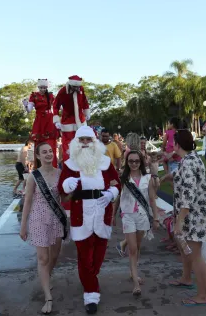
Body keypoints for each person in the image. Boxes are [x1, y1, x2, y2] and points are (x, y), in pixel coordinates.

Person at [58, 126, 121, 314]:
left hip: (102, 214)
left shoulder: (105, 162)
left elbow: (116, 181)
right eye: (82, 140)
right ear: (76, 143)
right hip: (81, 216)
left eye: (89, 140)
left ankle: (89, 279)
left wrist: (112, 193)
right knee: (85, 257)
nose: (85, 143)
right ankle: (91, 293)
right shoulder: (69, 164)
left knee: (99, 256)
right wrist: (66, 185)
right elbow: (62, 194)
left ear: (95, 142)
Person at [20, 142, 67, 314]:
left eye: (50, 151)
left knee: (54, 256)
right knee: (43, 259)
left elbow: (65, 196)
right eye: (44, 152)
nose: (48, 154)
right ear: (38, 156)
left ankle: (46, 276)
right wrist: (23, 226)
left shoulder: (60, 174)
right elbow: (28, 201)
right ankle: (48, 297)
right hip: (38, 219)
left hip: (56, 218)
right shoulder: (34, 176)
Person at [163, 130, 206, 307]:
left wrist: (179, 223)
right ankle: (186, 278)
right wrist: (166, 177)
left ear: (177, 145)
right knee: (185, 249)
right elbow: (181, 178)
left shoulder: (188, 163)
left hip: (192, 216)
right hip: (192, 214)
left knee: (195, 255)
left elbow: (187, 198)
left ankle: (202, 295)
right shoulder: (191, 159)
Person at [113, 150, 159, 296]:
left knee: (137, 247)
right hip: (127, 216)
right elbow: (118, 198)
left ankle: (133, 272)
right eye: (131, 161)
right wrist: (113, 215)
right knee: (132, 248)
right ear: (127, 162)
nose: (133, 164)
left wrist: (156, 217)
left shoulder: (148, 178)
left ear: (141, 162)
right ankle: (136, 284)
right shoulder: (123, 178)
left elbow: (152, 199)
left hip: (142, 216)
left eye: (136, 161)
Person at [53, 75, 90, 162]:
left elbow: (84, 100)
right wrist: (56, 120)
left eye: (78, 87)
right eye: (75, 87)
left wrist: (86, 112)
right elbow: (55, 105)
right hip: (67, 122)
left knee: (83, 143)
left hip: (81, 120)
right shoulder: (62, 91)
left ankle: (83, 165)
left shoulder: (81, 88)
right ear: (70, 84)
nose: (77, 88)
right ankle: (68, 166)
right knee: (68, 145)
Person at [22, 79, 58, 168]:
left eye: (45, 87)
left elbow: (57, 106)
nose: (43, 89)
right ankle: (39, 168)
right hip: (40, 121)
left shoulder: (50, 95)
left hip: (49, 120)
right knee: (38, 143)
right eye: (41, 87)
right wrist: (26, 105)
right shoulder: (34, 96)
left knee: (51, 142)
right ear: (38, 87)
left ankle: (53, 167)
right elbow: (29, 110)